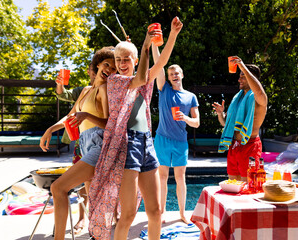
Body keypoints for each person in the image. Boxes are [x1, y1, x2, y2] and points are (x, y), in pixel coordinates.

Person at [88, 17, 183, 240]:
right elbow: (140, 76)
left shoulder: (145, 79)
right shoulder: (115, 81)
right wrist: (145, 45)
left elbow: (159, 65)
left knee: (155, 211)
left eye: (126, 59)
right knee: (128, 214)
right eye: (118, 59)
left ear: (135, 60)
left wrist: (172, 36)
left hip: (146, 143)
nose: (121, 64)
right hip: (126, 144)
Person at [39, 46, 117, 240]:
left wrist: (87, 115)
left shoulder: (104, 89)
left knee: (58, 188)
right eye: (107, 64)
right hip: (85, 144)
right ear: (98, 64)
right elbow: (70, 116)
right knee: (93, 201)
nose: (109, 69)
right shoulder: (85, 90)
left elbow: (109, 123)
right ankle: (97, 235)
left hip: (99, 145)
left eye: (114, 68)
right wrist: (50, 129)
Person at [151, 45, 200, 223]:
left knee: (180, 178)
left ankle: (181, 214)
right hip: (162, 139)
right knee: (162, 177)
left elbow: (197, 122)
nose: (174, 75)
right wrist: (155, 45)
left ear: (182, 75)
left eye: (177, 73)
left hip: (180, 142)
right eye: (171, 74)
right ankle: (162, 212)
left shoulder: (191, 97)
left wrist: (185, 118)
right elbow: (159, 64)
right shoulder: (164, 89)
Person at [54, 62, 96, 234]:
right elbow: (63, 94)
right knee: (82, 181)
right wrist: (59, 83)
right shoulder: (83, 90)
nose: (96, 73)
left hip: (100, 142)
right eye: (94, 70)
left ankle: (108, 217)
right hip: (81, 141)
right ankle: (82, 218)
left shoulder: (111, 89)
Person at [212, 57, 267, 181]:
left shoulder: (260, 98)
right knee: (233, 186)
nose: (239, 79)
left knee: (248, 187)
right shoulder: (238, 99)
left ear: (251, 78)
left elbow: (258, 90)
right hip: (234, 146)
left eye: (242, 76)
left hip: (250, 146)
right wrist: (221, 114)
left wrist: (242, 66)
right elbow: (225, 124)